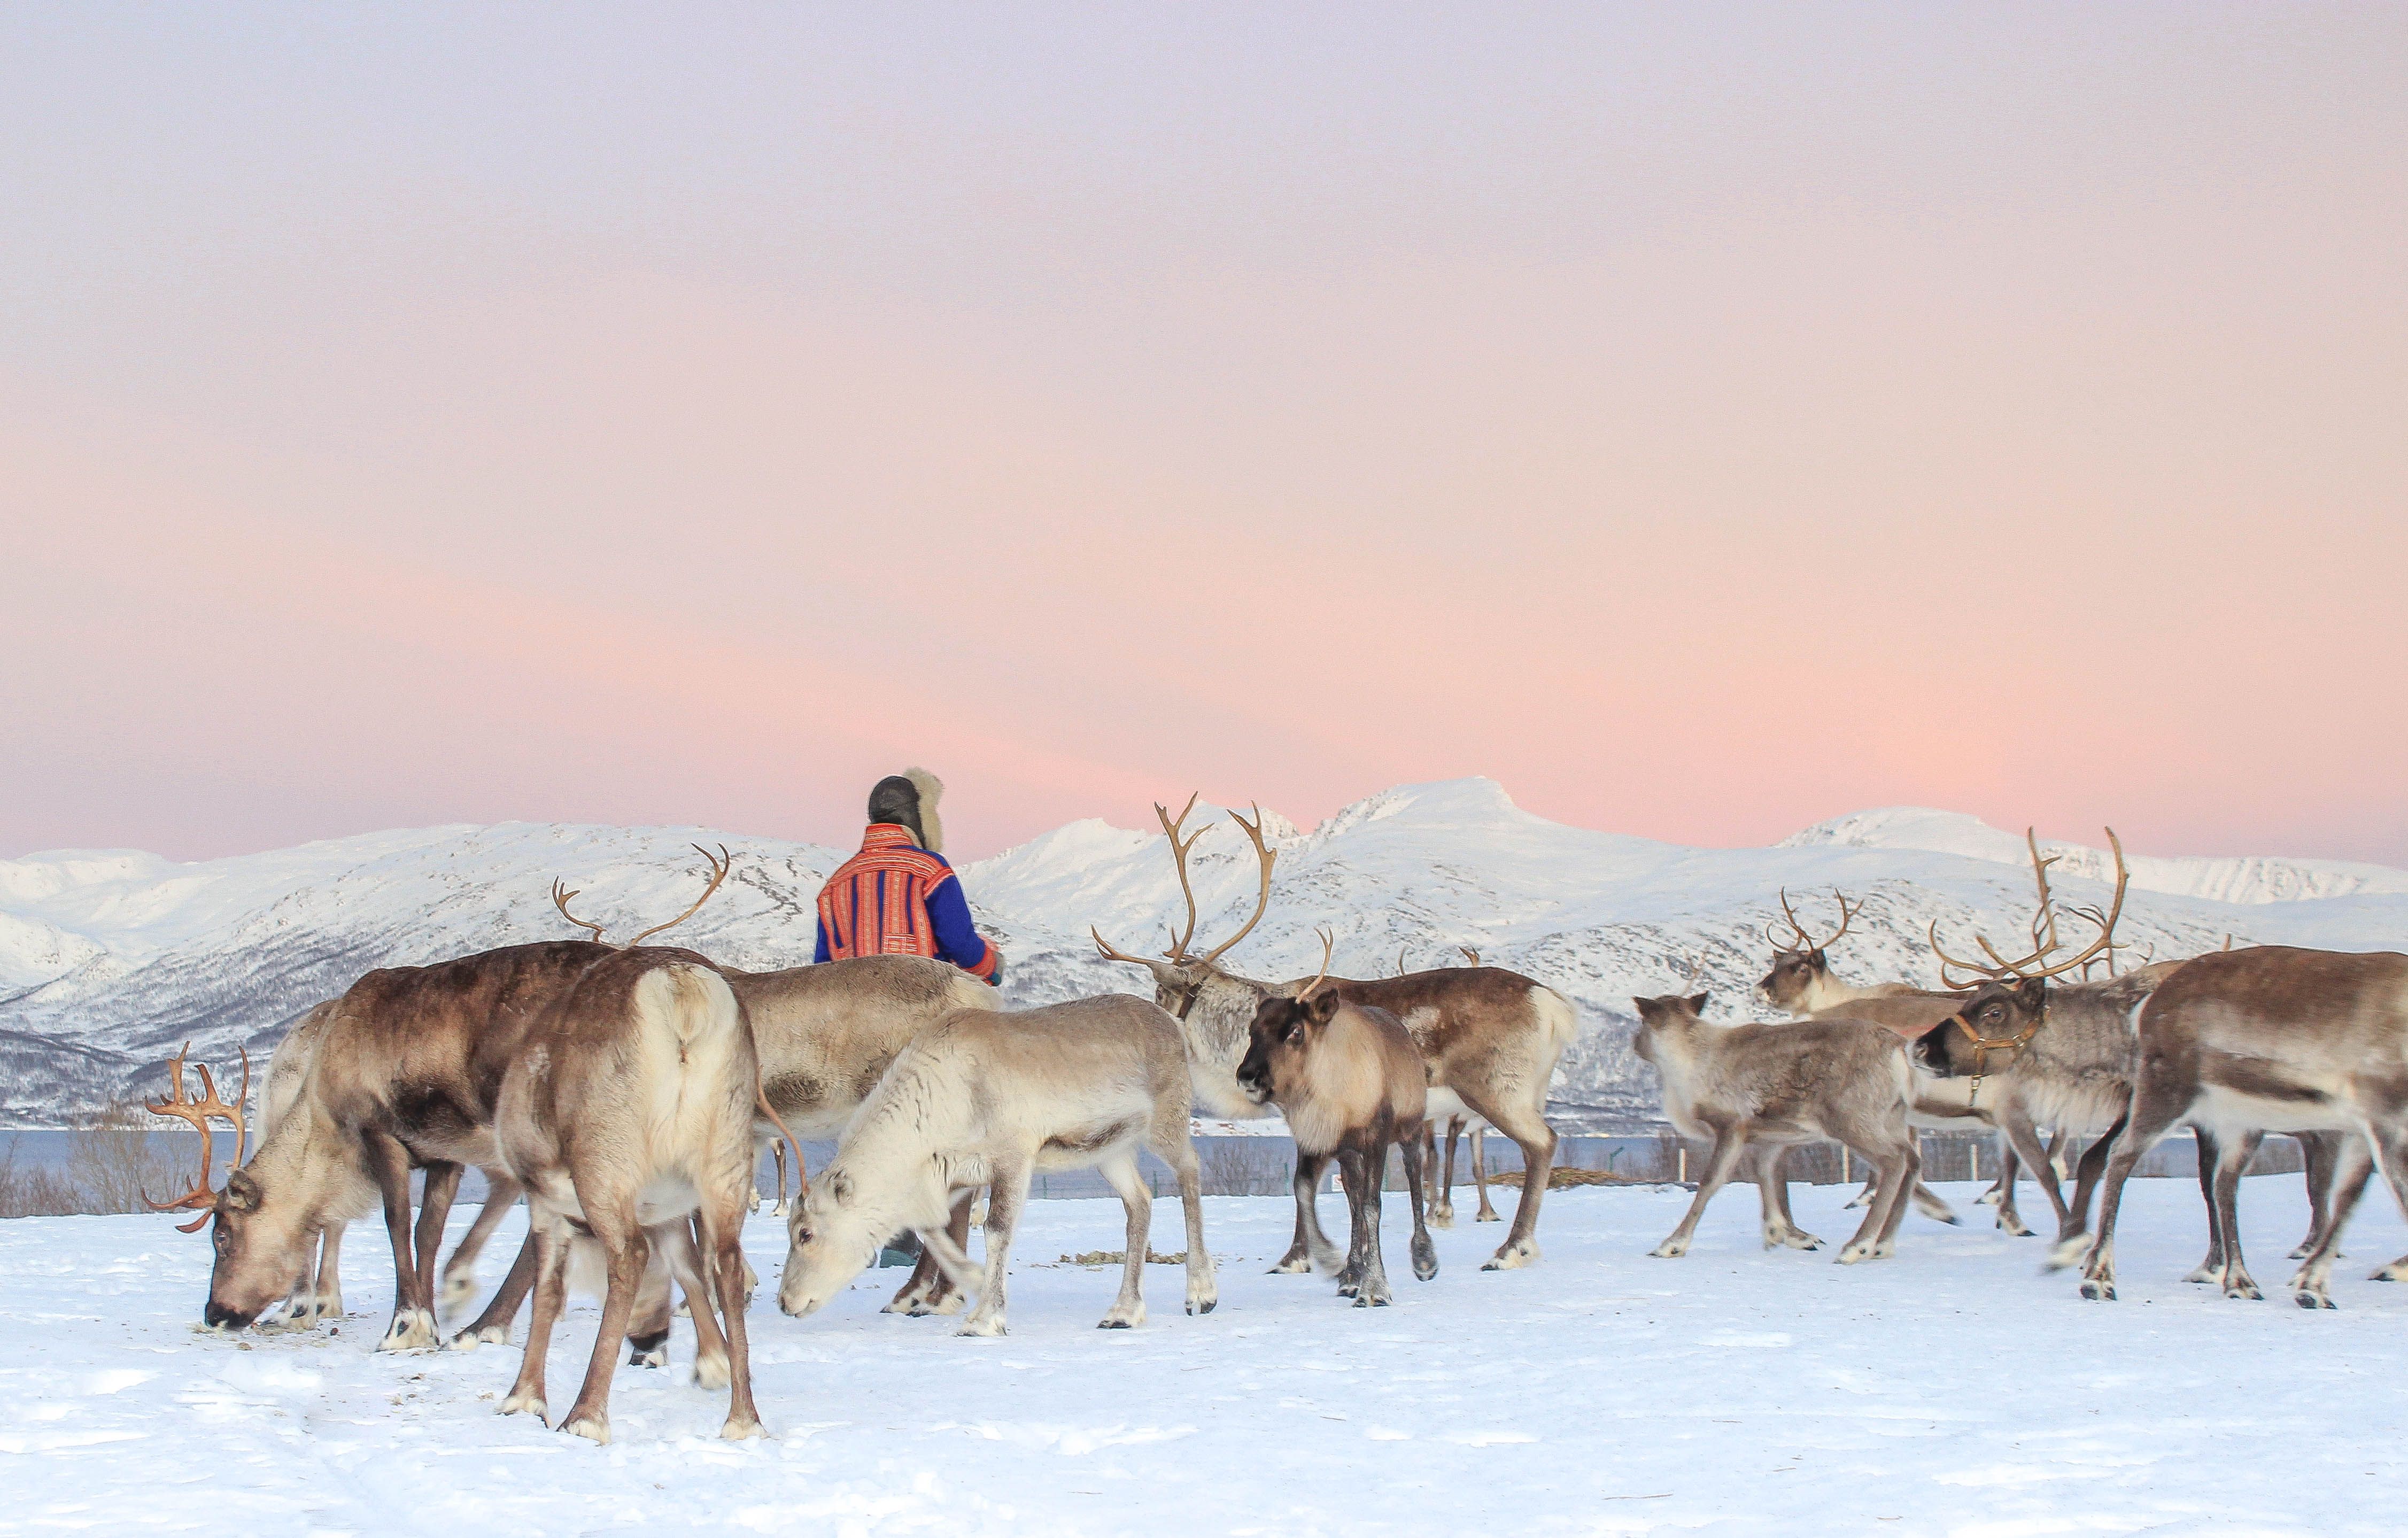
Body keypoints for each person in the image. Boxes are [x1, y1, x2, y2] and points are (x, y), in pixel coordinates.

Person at [813, 767, 1002, 986]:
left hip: (853, 1015)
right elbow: (959, 943)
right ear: (918, 816)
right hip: (918, 1011)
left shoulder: (835, 886)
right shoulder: (930, 869)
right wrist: (992, 965)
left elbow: (822, 972)